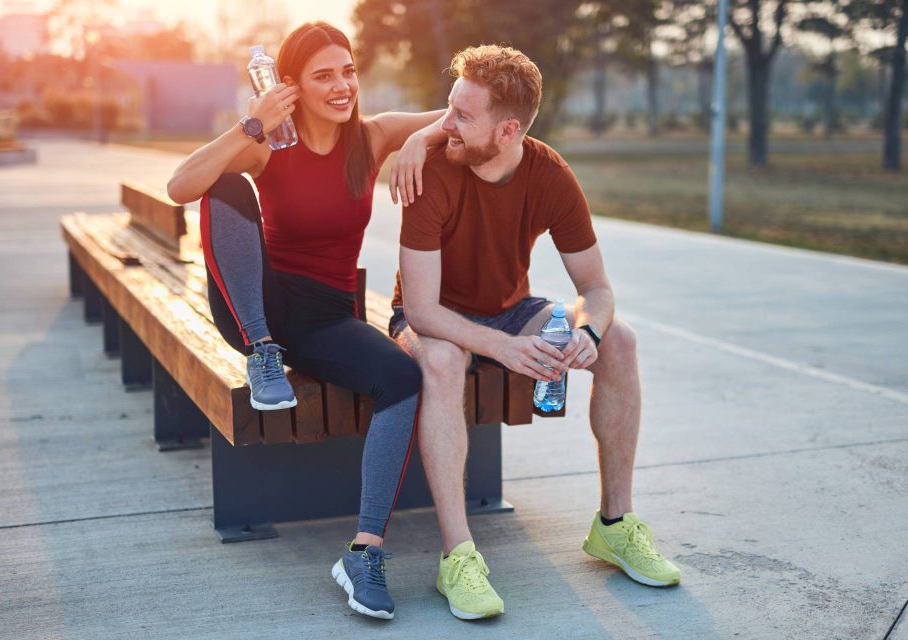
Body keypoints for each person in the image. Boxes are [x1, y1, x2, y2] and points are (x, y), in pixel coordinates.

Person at [391, 44, 682, 621]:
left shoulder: (549, 174)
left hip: (508, 308)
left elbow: (596, 290)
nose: (443, 124)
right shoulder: (434, 170)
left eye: (462, 116)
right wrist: (501, 347)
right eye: (448, 108)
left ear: (508, 131)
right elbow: (422, 311)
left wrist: (589, 333)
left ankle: (615, 525)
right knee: (446, 361)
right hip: (433, 318)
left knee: (620, 339)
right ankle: (458, 556)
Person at [166, 22, 446, 621]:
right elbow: (180, 185)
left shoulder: (371, 139)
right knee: (225, 186)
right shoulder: (271, 143)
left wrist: (419, 142)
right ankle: (262, 352)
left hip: (323, 317)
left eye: (348, 71)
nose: (343, 85)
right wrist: (253, 123)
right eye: (324, 75)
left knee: (402, 378)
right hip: (254, 306)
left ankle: (363, 551)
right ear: (287, 86)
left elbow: (456, 115)